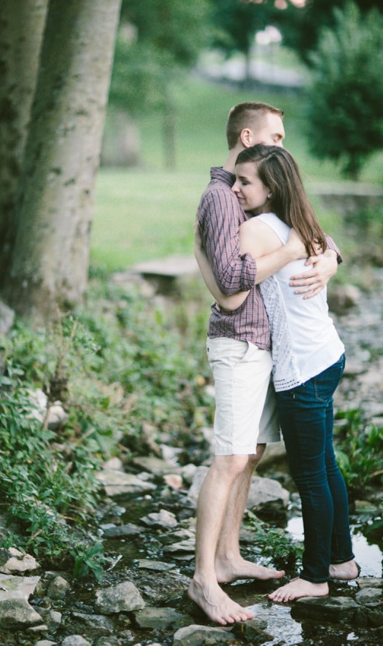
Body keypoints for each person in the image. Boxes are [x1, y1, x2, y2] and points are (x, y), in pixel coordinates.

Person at [188, 102, 341, 625]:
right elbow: (231, 291)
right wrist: (297, 248)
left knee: (261, 457)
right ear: (250, 137)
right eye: (277, 136)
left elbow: (321, 240)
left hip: (278, 352)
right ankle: (204, 579)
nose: (283, 144)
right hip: (247, 346)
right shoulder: (223, 197)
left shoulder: (257, 200)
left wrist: (321, 258)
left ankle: (231, 559)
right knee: (238, 458)